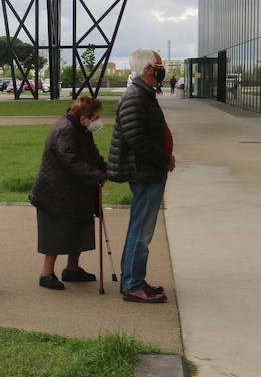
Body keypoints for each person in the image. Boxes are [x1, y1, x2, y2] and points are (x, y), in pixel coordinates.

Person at [108, 49, 174, 303]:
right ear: (148, 69)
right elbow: (137, 139)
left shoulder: (143, 94)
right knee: (141, 231)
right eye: (159, 65)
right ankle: (132, 284)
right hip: (144, 172)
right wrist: (164, 158)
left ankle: (134, 279)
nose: (161, 69)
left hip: (149, 170)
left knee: (141, 230)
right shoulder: (136, 96)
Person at [29, 96, 108, 290]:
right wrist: (97, 175)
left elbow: (92, 153)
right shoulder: (65, 130)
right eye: (95, 117)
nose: (98, 121)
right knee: (54, 233)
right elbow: (70, 161)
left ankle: (72, 269)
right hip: (54, 193)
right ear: (83, 118)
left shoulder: (81, 129)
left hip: (74, 191)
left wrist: (105, 169)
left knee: (79, 227)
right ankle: (46, 274)